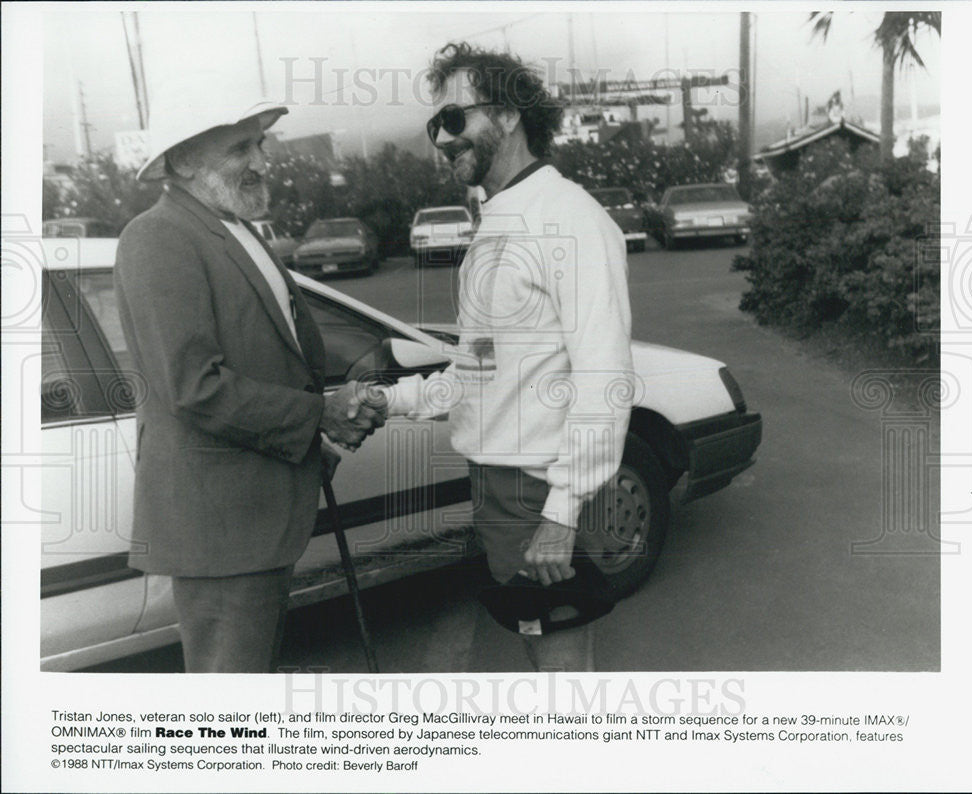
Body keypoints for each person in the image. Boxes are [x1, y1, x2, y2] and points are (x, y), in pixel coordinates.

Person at [381, 42, 634, 671]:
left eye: (455, 118)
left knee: (561, 664)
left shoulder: (570, 219)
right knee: (537, 643)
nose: (442, 138)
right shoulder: (496, 220)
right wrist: (390, 399)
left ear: (511, 113)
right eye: (434, 124)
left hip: (537, 484)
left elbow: (605, 376)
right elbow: (478, 371)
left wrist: (562, 509)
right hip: (497, 480)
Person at [114, 88, 385, 673]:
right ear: (184, 160)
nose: (262, 160)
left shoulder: (236, 227)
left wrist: (324, 432)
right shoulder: (157, 236)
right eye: (241, 147)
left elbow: (279, 356)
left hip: (255, 518)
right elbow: (194, 385)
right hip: (220, 529)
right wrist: (319, 415)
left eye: (259, 143)